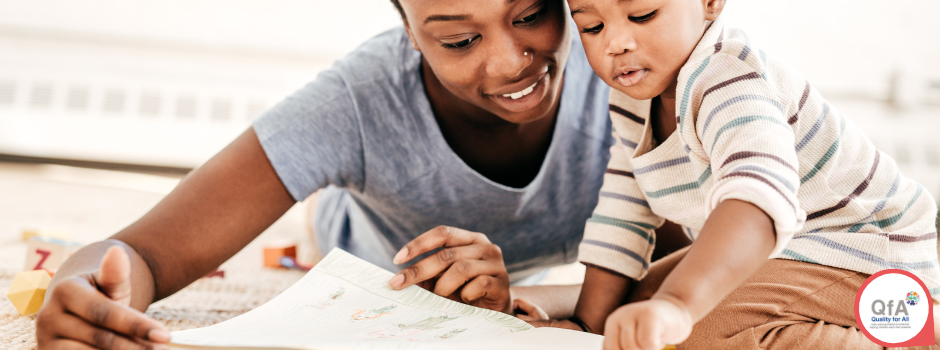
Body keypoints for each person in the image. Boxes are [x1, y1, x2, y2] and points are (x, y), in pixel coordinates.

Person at [32, 0, 636, 349]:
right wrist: (84, 295)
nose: (509, 61)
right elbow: (141, 251)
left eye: (531, 13)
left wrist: (523, 301)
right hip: (364, 244)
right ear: (408, 30)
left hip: (543, 269)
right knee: (327, 221)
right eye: (459, 39)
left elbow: (700, 265)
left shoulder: (629, 59)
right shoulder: (356, 103)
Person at [523, 0, 940, 349]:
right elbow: (622, 214)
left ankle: (913, 334)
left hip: (860, 251)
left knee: (700, 329)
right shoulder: (632, 100)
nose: (616, 43)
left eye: (643, 14)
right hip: (793, 249)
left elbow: (758, 201)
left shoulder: (729, 78)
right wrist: (586, 326)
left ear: (709, 3)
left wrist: (678, 306)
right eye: (591, 27)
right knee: (636, 305)